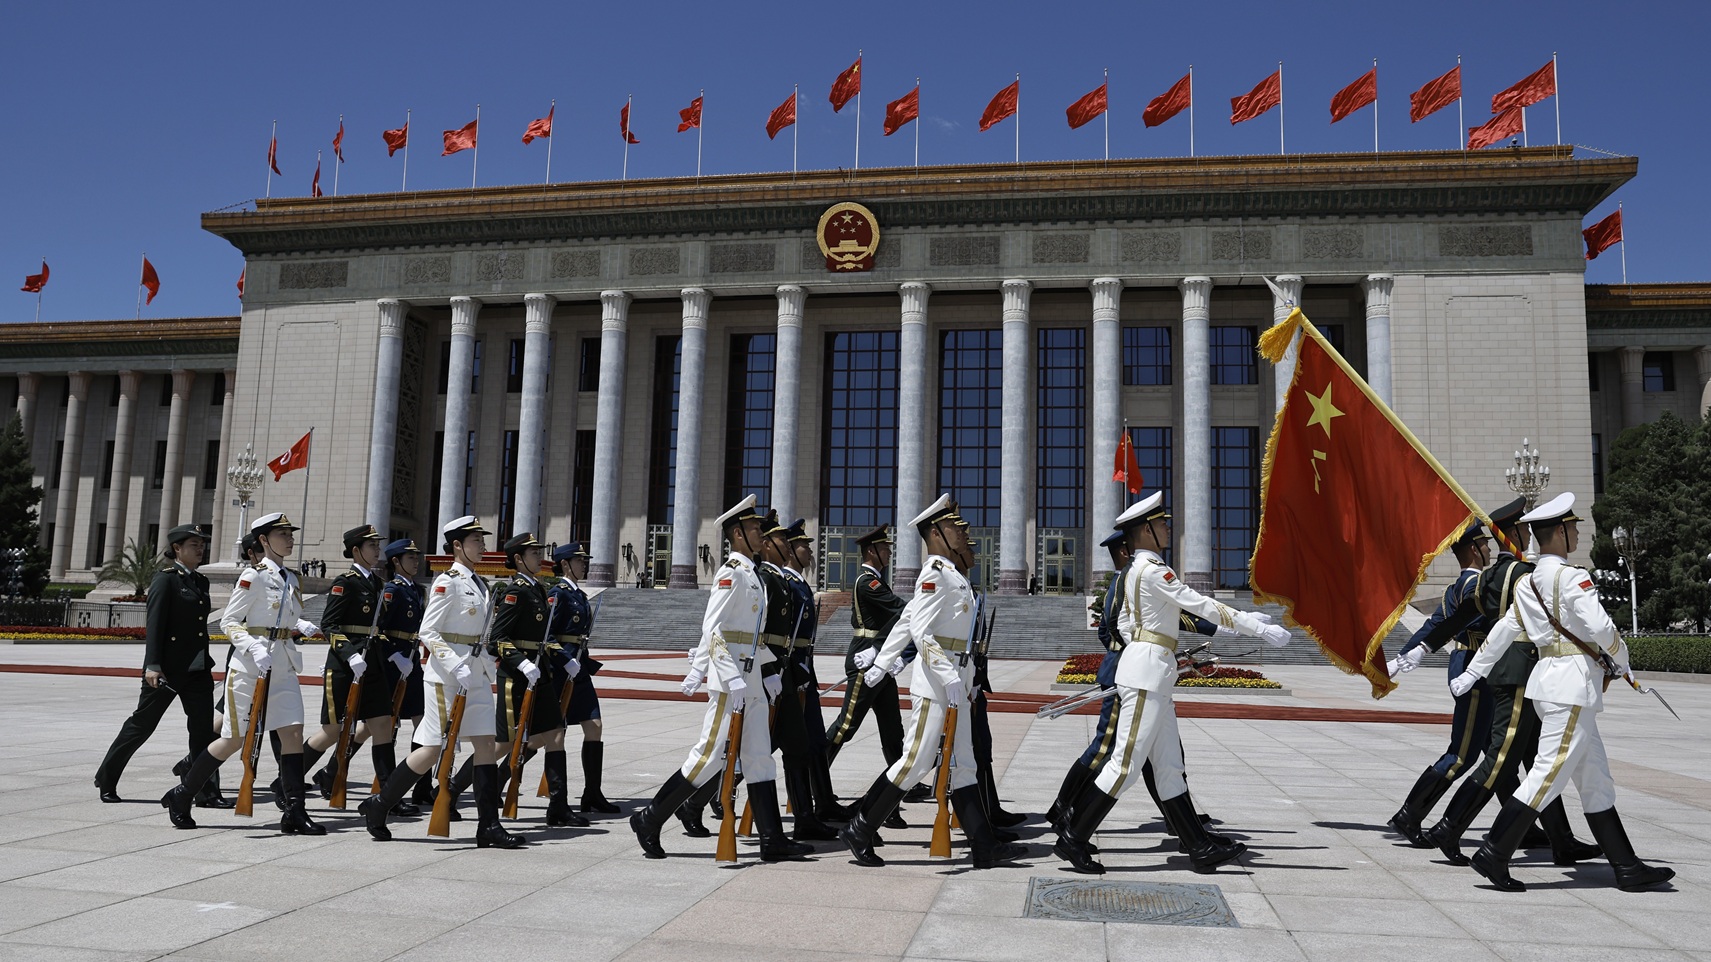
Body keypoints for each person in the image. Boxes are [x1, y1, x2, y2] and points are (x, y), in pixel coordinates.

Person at [1051, 492, 1292, 875]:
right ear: (1145, 530)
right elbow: (1201, 605)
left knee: (1168, 766)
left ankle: (1198, 845)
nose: (1167, 529)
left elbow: (1131, 627)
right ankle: (1073, 837)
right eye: (1162, 524)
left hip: (1152, 671)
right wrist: (1257, 628)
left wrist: (1158, 652)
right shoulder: (1152, 569)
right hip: (1147, 676)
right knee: (1125, 764)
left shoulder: (1134, 570)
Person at [1451, 493, 1673, 892]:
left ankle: (1626, 866)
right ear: (1558, 533)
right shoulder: (1571, 578)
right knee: (1547, 775)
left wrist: (1473, 673)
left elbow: (1504, 631)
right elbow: (1602, 629)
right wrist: (1622, 659)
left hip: (1552, 682)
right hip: (1570, 687)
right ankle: (1495, 853)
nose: (1575, 534)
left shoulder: (1529, 580)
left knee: (1595, 779)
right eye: (1572, 528)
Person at [839, 494, 1024, 870]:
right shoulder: (934, 574)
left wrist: (884, 660)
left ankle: (984, 845)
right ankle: (859, 827)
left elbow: (907, 620)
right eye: (956, 526)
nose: (963, 530)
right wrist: (947, 674)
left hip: (956, 680)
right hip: (936, 684)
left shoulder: (950, 574)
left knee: (965, 764)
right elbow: (922, 632)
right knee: (916, 761)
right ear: (936, 532)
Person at [629, 494, 810, 862]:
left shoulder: (752, 574)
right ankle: (649, 819)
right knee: (708, 757)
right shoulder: (730, 572)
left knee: (760, 758)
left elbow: (752, 636)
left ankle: (772, 840)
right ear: (738, 533)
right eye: (756, 528)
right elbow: (714, 631)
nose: (761, 533)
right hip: (732, 684)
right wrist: (728, 676)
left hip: (753, 679)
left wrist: (769, 670)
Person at [1417, 498, 1598, 866]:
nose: (1528, 536)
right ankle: (1448, 828)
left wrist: (1423, 647)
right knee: (1501, 759)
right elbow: (1511, 625)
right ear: (1513, 533)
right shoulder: (1525, 574)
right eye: (1523, 530)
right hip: (1520, 673)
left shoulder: (1491, 576)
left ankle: (1562, 840)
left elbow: (1464, 616)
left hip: (1517, 674)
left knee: (1536, 760)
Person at [360, 516, 526, 848]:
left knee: (484, 746)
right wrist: (454, 663)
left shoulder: (481, 584)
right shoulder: (446, 583)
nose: (482, 545)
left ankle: (488, 827)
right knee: (432, 748)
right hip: (447, 676)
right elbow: (428, 632)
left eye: (482, 540)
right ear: (457, 546)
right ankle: (379, 805)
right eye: (476, 540)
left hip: (476, 673)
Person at [162, 513, 325, 833]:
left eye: (291, 533)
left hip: (283, 665)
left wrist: (298, 624)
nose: (290, 538)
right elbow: (230, 622)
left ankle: (295, 811)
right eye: (283, 534)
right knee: (232, 740)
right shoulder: (254, 577)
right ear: (264, 540)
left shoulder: (291, 578)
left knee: (292, 732)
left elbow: (283, 618)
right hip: (251, 668)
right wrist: (252, 646)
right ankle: (183, 794)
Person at [95, 523, 225, 806]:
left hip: (198, 668)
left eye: (202, 544)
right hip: (166, 669)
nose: (200, 548)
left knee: (203, 732)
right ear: (177, 549)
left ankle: (208, 791)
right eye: (194, 544)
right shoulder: (165, 580)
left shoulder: (201, 582)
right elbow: (155, 625)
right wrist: (152, 664)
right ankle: (107, 777)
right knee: (142, 725)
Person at [1384, 523, 1494, 844]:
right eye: (1485, 544)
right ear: (1474, 549)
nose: (1489, 549)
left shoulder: (1454, 588)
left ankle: (1525, 826)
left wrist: (1404, 656)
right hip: (1475, 669)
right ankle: (1409, 815)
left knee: (1499, 756)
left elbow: (1432, 625)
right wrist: (1408, 656)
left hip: (1470, 666)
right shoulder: (1477, 587)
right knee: (1462, 756)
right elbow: (1444, 627)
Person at [301, 525, 407, 807]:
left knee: (382, 724)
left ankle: (388, 796)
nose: (378, 550)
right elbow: (329, 624)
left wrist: (394, 654)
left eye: (378, 545)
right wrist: (349, 654)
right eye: (373, 546)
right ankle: (288, 779)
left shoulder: (377, 582)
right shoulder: (345, 581)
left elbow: (377, 626)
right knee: (333, 730)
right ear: (357, 550)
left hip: (372, 663)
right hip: (345, 665)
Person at [491, 532, 578, 828]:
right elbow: (497, 640)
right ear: (518, 559)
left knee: (555, 734)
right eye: (532, 554)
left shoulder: (538, 589)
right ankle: (453, 791)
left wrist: (564, 658)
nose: (538, 558)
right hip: (517, 677)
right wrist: (524, 663)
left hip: (539, 675)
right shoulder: (516, 590)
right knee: (504, 744)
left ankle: (558, 806)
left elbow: (542, 637)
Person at [546, 542, 615, 813]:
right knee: (548, 735)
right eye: (579, 560)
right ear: (565, 564)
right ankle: (503, 778)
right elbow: (548, 635)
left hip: (579, 668)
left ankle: (592, 793)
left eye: (584, 560)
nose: (583, 564)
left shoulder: (579, 594)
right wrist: (565, 660)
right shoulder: (558, 594)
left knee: (594, 725)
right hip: (562, 671)